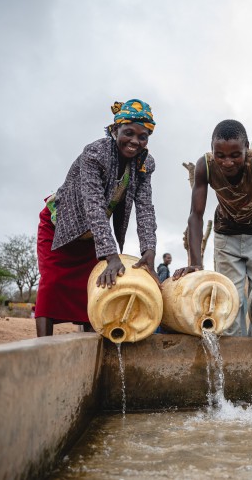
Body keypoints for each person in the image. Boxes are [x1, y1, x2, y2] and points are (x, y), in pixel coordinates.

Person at [34, 99, 159, 336]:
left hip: (94, 236)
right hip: (59, 227)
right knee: (51, 285)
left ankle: (92, 351)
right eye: (129, 133)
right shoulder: (95, 153)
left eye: (143, 137)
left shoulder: (145, 163)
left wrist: (148, 252)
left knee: (95, 289)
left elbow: (145, 208)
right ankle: (42, 349)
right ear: (115, 130)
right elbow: (94, 205)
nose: (135, 141)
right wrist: (111, 256)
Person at [173, 119, 252, 336]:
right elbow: (195, 215)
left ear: (246, 147)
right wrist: (196, 264)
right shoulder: (205, 166)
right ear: (212, 150)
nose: (227, 162)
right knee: (229, 301)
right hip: (226, 236)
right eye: (220, 155)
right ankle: (233, 362)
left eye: (235, 155)